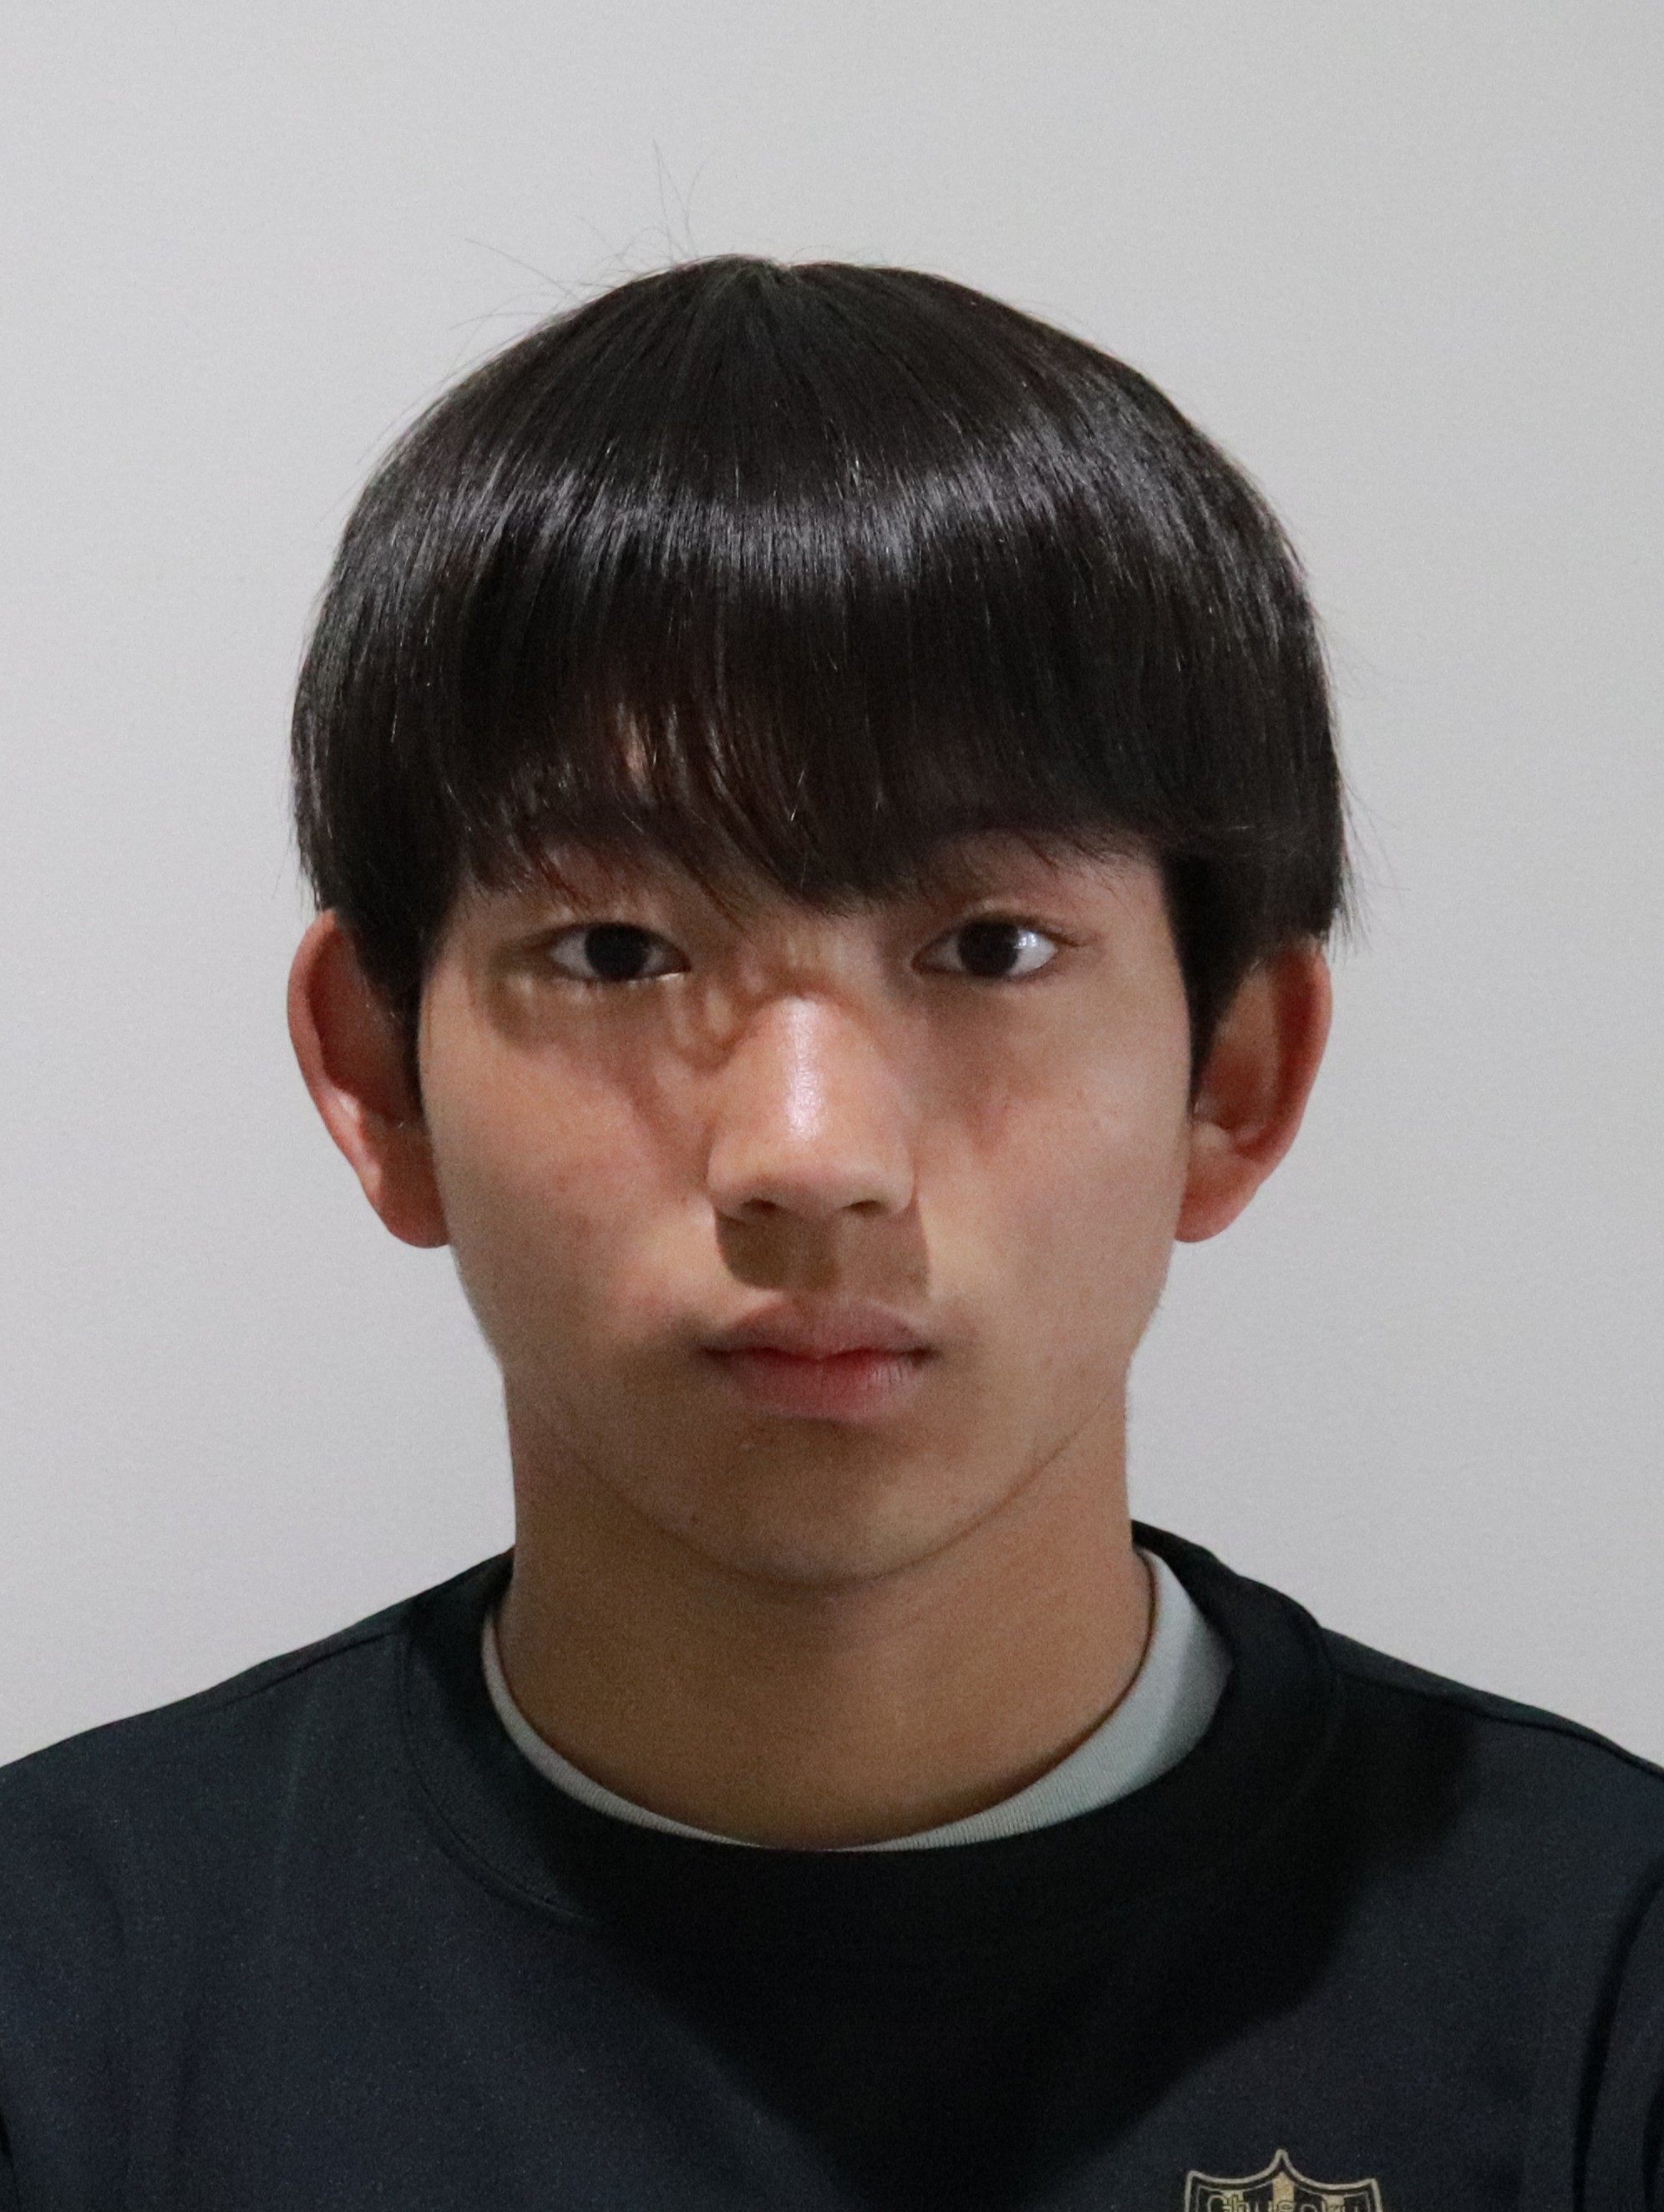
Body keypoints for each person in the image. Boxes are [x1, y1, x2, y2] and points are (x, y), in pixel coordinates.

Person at [1, 256, 1659, 2212]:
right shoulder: (63, 1999)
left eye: (991, 947)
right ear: (380, 1079)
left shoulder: (1598, 1989)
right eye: (614, 949)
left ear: (1234, 1075)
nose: (807, 1153)